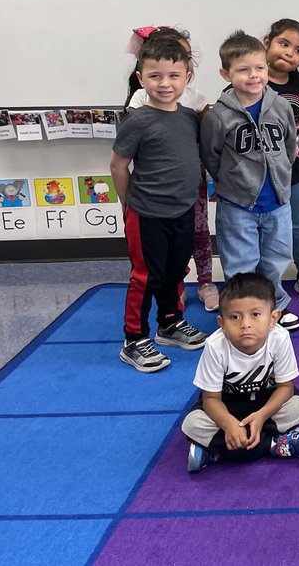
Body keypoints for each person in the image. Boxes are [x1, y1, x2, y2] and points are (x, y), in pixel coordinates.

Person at [110, 33, 209, 372]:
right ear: (141, 78)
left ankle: (170, 323)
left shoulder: (187, 115)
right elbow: (118, 166)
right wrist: (128, 207)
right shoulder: (137, 120)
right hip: (146, 213)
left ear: (187, 77)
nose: (165, 83)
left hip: (181, 210)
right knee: (145, 276)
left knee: (176, 269)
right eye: (155, 76)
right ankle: (134, 339)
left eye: (173, 76)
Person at [202, 31, 299, 331]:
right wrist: (223, 184)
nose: (253, 76)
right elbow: (211, 154)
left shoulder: (281, 106)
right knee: (241, 262)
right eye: (243, 69)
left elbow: (289, 146)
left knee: (275, 259)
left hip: (277, 203)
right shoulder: (218, 116)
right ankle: (241, 311)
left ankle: (273, 307)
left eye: (259, 68)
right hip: (237, 205)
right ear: (225, 73)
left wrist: (281, 177)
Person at [181, 273, 299, 471]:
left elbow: (286, 387)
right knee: (192, 424)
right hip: (227, 406)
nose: (245, 324)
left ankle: (215, 451)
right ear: (222, 323)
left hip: (266, 404)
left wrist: (261, 417)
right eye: (234, 317)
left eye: (255, 314)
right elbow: (210, 399)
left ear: (273, 318)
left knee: (298, 406)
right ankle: (274, 444)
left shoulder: (280, 338)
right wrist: (228, 425)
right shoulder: (215, 346)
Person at [125, 25, 217, 311]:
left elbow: (207, 142)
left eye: (186, 57)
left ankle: (205, 281)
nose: (166, 80)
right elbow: (138, 141)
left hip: (191, 182)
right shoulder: (142, 100)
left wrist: (214, 178)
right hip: (155, 192)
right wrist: (127, 201)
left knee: (197, 232)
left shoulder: (196, 98)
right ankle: (173, 290)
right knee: (161, 252)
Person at [261, 19, 299, 305]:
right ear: (266, 43)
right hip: (263, 173)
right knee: (266, 225)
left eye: (298, 51)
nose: (289, 53)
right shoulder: (251, 79)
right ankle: (264, 279)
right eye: (283, 44)